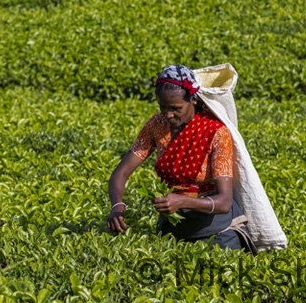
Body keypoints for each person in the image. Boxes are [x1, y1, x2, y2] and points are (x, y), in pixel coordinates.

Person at [107, 64, 254, 251]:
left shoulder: (215, 132)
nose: (168, 114)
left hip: (217, 231)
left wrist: (182, 201)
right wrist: (117, 206)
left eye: (176, 108)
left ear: (193, 100)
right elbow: (121, 173)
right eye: (163, 107)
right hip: (173, 228)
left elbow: (224, 202)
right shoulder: (156, 125)